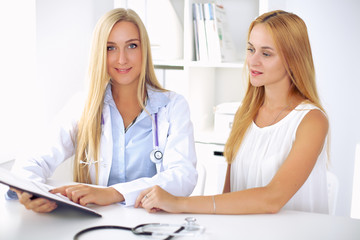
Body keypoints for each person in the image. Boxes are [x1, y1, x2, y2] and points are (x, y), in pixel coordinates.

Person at [135, 10, 330, 214]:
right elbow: (227, 198)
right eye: (250, 49)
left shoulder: (312, 121)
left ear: (293, 59)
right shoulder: (245, 114)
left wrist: (178, 203)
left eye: (266, 53)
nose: (253, 61)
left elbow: (272, 199)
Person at [8, 8, 197, 213]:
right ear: (99, 53)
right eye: (110, 48)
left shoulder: (173, 106)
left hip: (153, 223)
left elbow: (183, 175)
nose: (122, 59)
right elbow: (33, 158)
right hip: (98, 224)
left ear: (145, 50)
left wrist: (113, 193)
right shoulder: (84, 104)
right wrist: (30, 191)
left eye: (132, 46)